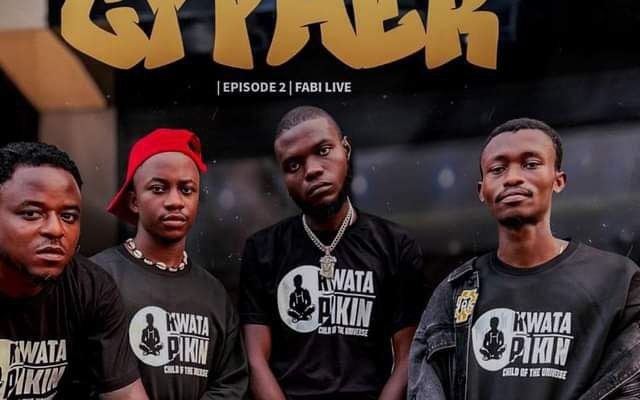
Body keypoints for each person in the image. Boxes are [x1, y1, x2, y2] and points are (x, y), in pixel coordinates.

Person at [409, 118, 640, 399]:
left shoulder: (616, 280)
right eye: (497, 169)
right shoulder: (454, 292)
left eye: (530, 164)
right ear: (482, 190)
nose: (512, 178)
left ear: (558, 180)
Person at [0, 142, 148, 399]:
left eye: (68, 216)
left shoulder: (92, 287)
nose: (55, 229)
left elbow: (126, 393)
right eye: (31, 214)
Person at [239, 106, 427, 399]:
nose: (312, 170)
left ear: (346, 150)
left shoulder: (394, 245)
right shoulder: (263, 250)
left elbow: (408, 357)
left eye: (323, 151)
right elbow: (255, 361)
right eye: (293, 165)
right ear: (283, 177)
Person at [91, 128, 248, 400]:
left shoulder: (213, 293)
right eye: (158, 188)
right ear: (134, 200)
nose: (175, 202)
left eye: (186, 189)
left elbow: (230, 384)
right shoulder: (98, 277)